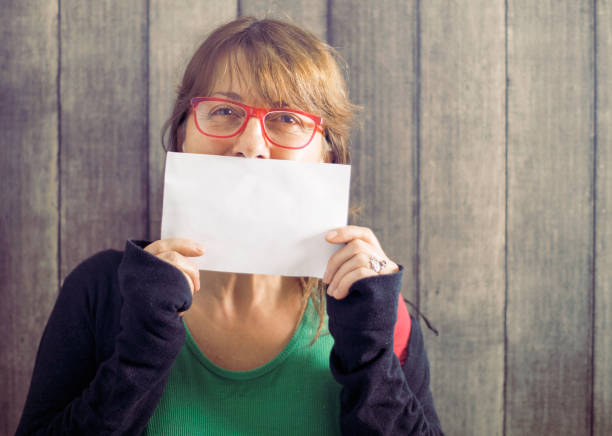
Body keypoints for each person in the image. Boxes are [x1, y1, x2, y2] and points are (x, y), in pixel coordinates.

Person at [16, 17, 443, 435]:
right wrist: (141, 347)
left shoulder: (378, 314)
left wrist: (371, 352)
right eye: (223, 110)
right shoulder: (103, 291)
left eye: (287, 118)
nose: (250, 146)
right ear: (183, 138)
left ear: (327, 155)